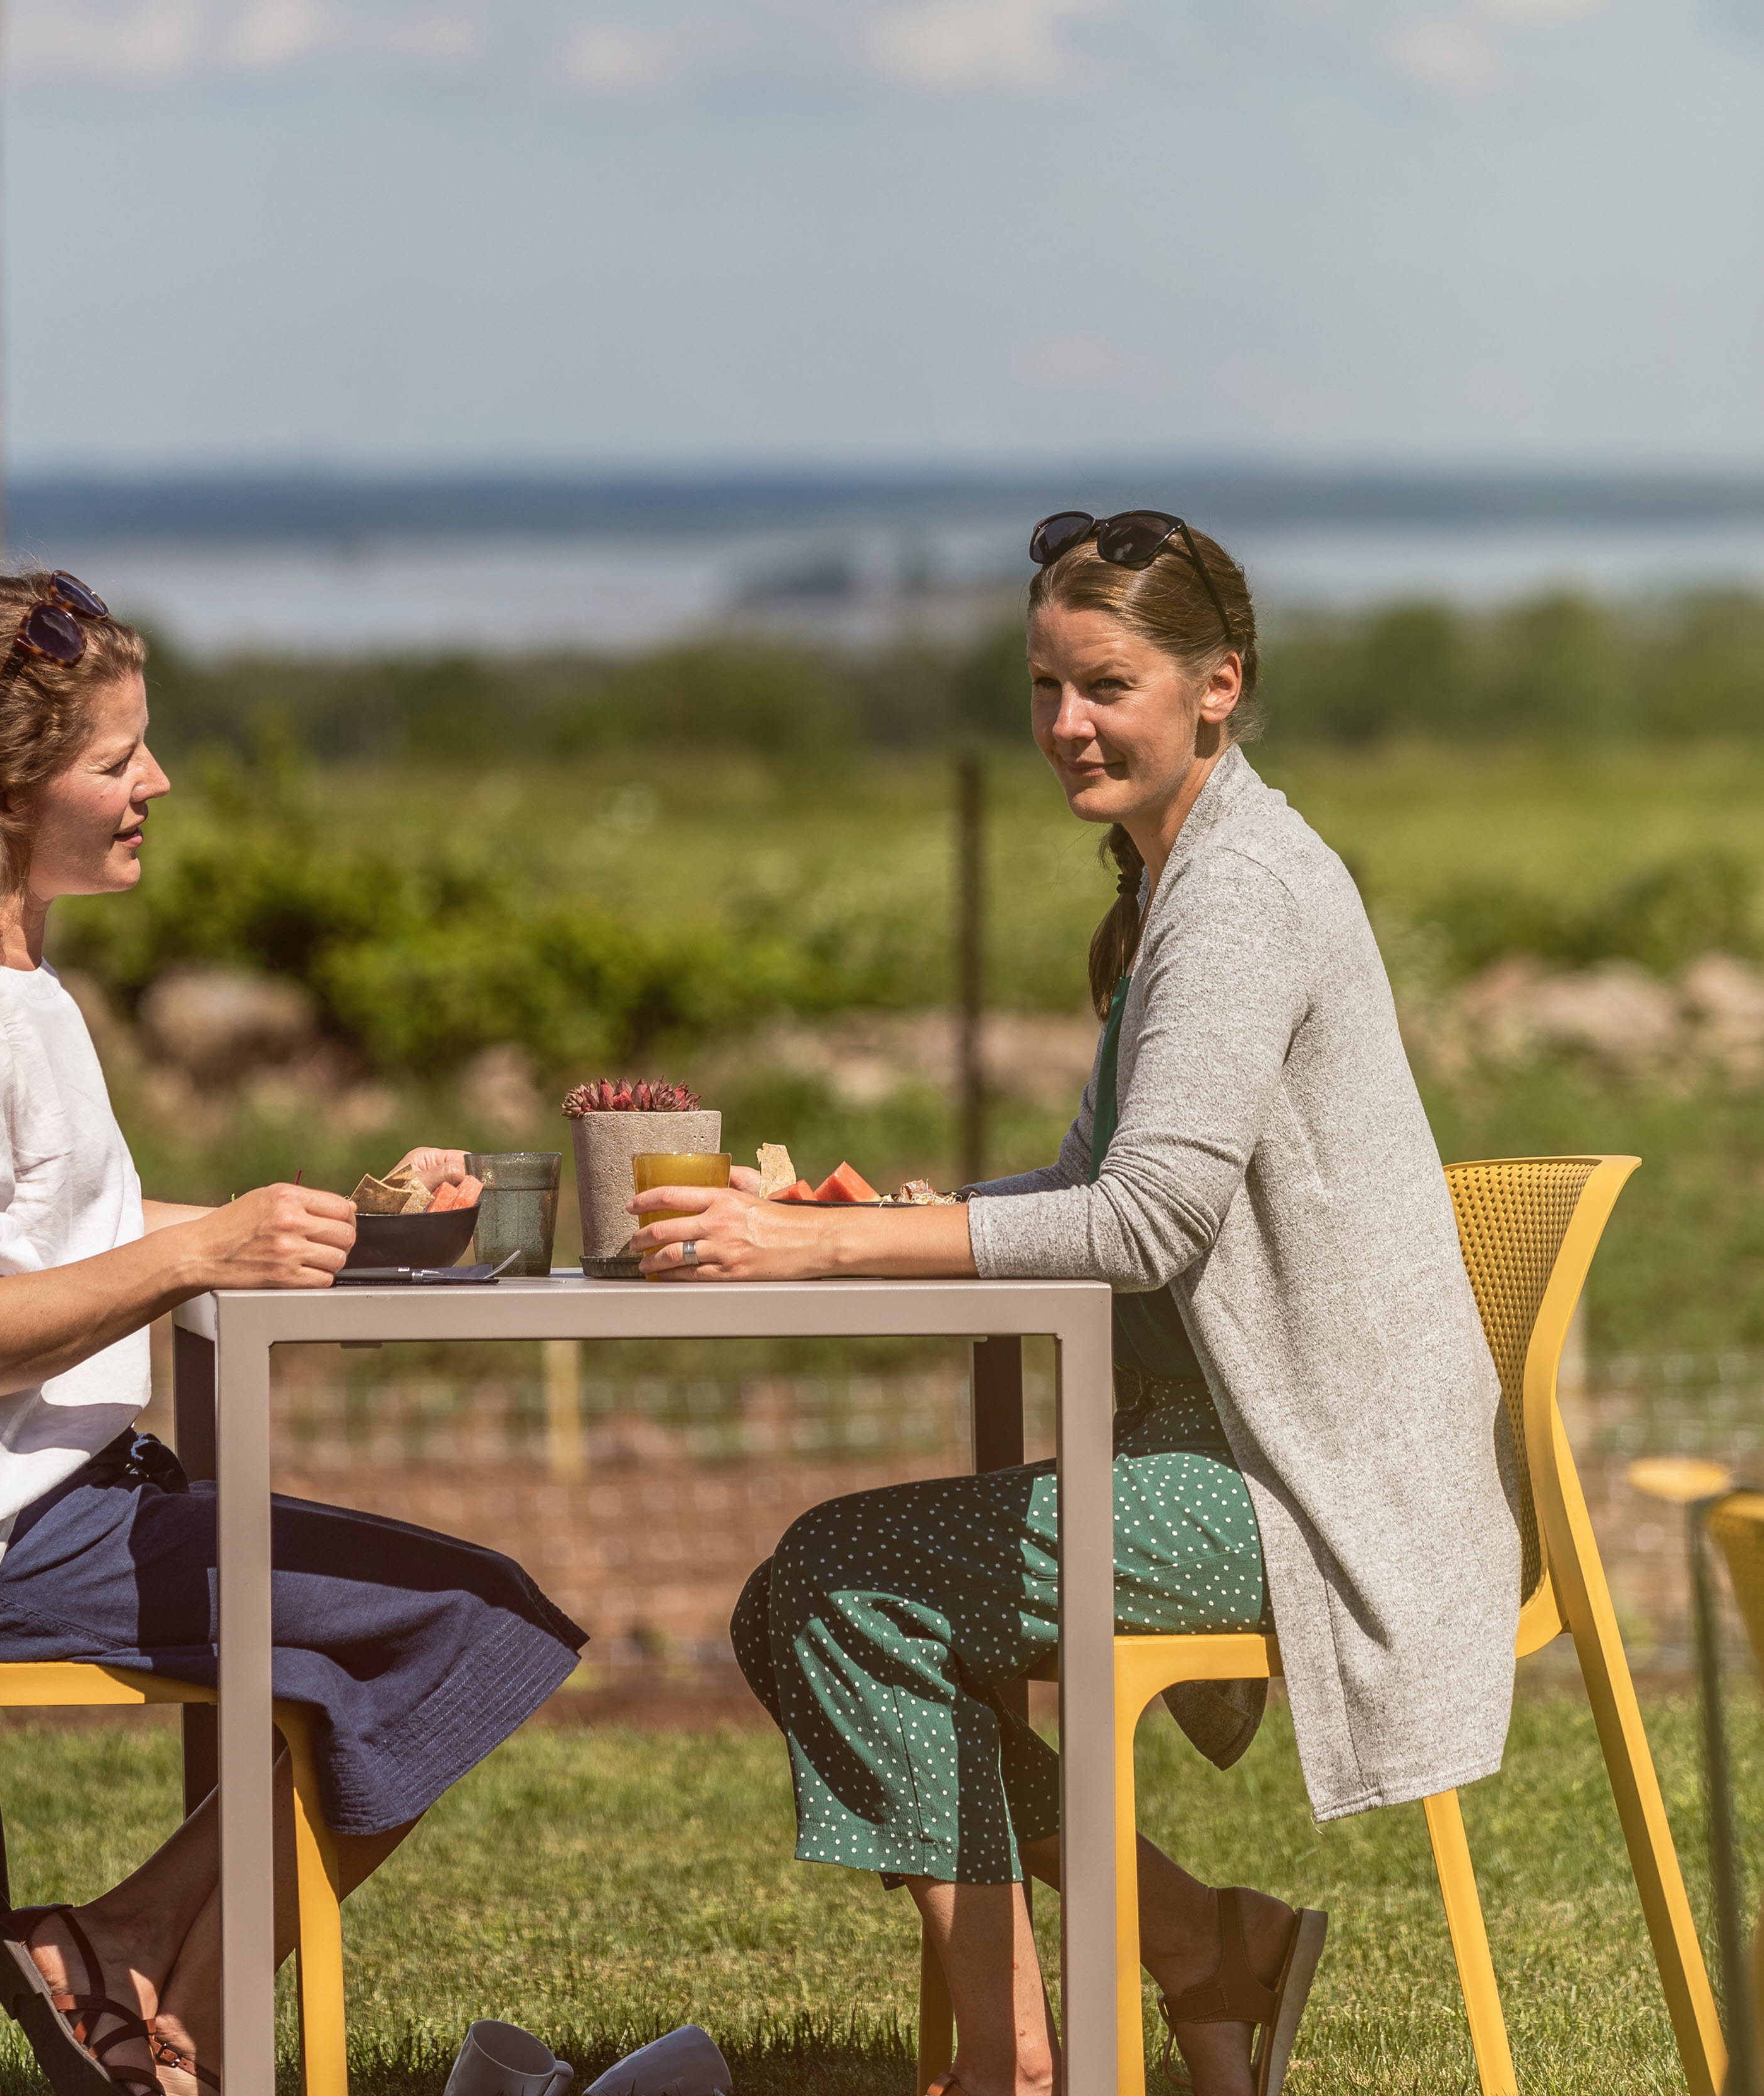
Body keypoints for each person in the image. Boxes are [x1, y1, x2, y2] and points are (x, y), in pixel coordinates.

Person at [624, 513, 1518, 2096]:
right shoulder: (1180, 880)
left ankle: (1017, 2062)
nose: (1063, 726)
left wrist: (817, 1254)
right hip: (1237, 1451)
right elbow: (1090, 1188)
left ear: (1216, 686)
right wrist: (913, 1216)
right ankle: (1188, 1943)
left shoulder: (1240, 893)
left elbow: (1144, 1223)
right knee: (813, 1598)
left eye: (1103, 685)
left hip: (1309, 1492)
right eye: (1043, 686)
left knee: (841, 1581)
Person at [0, 571, 585, 2096]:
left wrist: (331, 1227)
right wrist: (205, 1246)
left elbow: (51, 1240)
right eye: (116, 759)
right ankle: (138, 1982)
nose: (157, 784)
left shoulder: (1, 991)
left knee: (458, 1618)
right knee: (478, 1625)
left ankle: (124, 1976)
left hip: (49, 1505)